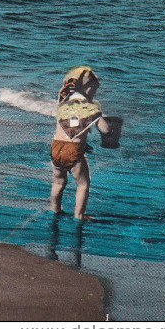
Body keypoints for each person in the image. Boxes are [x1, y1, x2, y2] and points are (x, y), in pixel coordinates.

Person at [50, 66, 112, 221]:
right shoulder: (90, 106)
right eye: (94, 90)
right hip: (74, 150)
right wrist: (103, 118)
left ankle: (55, 209)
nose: (95, 93)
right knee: (83, 184)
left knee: (58, 181)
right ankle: (79, 215)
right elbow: (105, 129)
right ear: (88, 88)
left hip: (56, 146)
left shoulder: (63, 101)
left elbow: (69, 126)